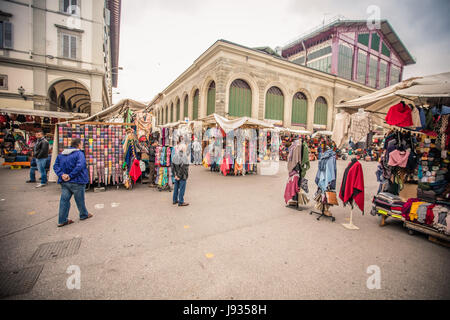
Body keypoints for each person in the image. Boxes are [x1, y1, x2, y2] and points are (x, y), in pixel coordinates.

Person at [53, 138, 93, 227]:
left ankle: (62, 220)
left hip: (65, 182)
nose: (82, 146)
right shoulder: (79, 154)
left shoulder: (61, 155)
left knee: (64, 200)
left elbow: (55, 166)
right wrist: (70, 175)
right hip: (77, 181)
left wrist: (62, 175)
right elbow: (80, 166)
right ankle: (83, 214)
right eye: (81, 144)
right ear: (78, 145)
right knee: (80, 200)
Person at [171, 137, 189, 207]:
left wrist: (175, 175)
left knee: (176, 188)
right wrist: (178, 175)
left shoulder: (175, 155)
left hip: (176, 175)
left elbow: (172, 166)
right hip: (182, 175)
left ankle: (174, 200)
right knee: (181, 188)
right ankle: (181, 201)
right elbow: (183, 168)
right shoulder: (184, 156)